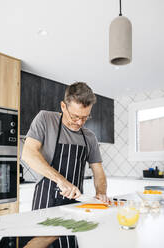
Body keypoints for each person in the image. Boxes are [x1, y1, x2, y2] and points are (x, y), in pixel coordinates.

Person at [22, 82, 109, 248]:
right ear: (63, 106)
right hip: (46, 200)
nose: (79, 122)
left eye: (85, 117)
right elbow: (28, 153)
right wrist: (61, 180)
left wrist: (101, 193)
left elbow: (98, 171)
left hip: (76, 205)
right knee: (43, 241)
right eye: (75, 116)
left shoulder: (89, 137)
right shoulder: (45, 119)